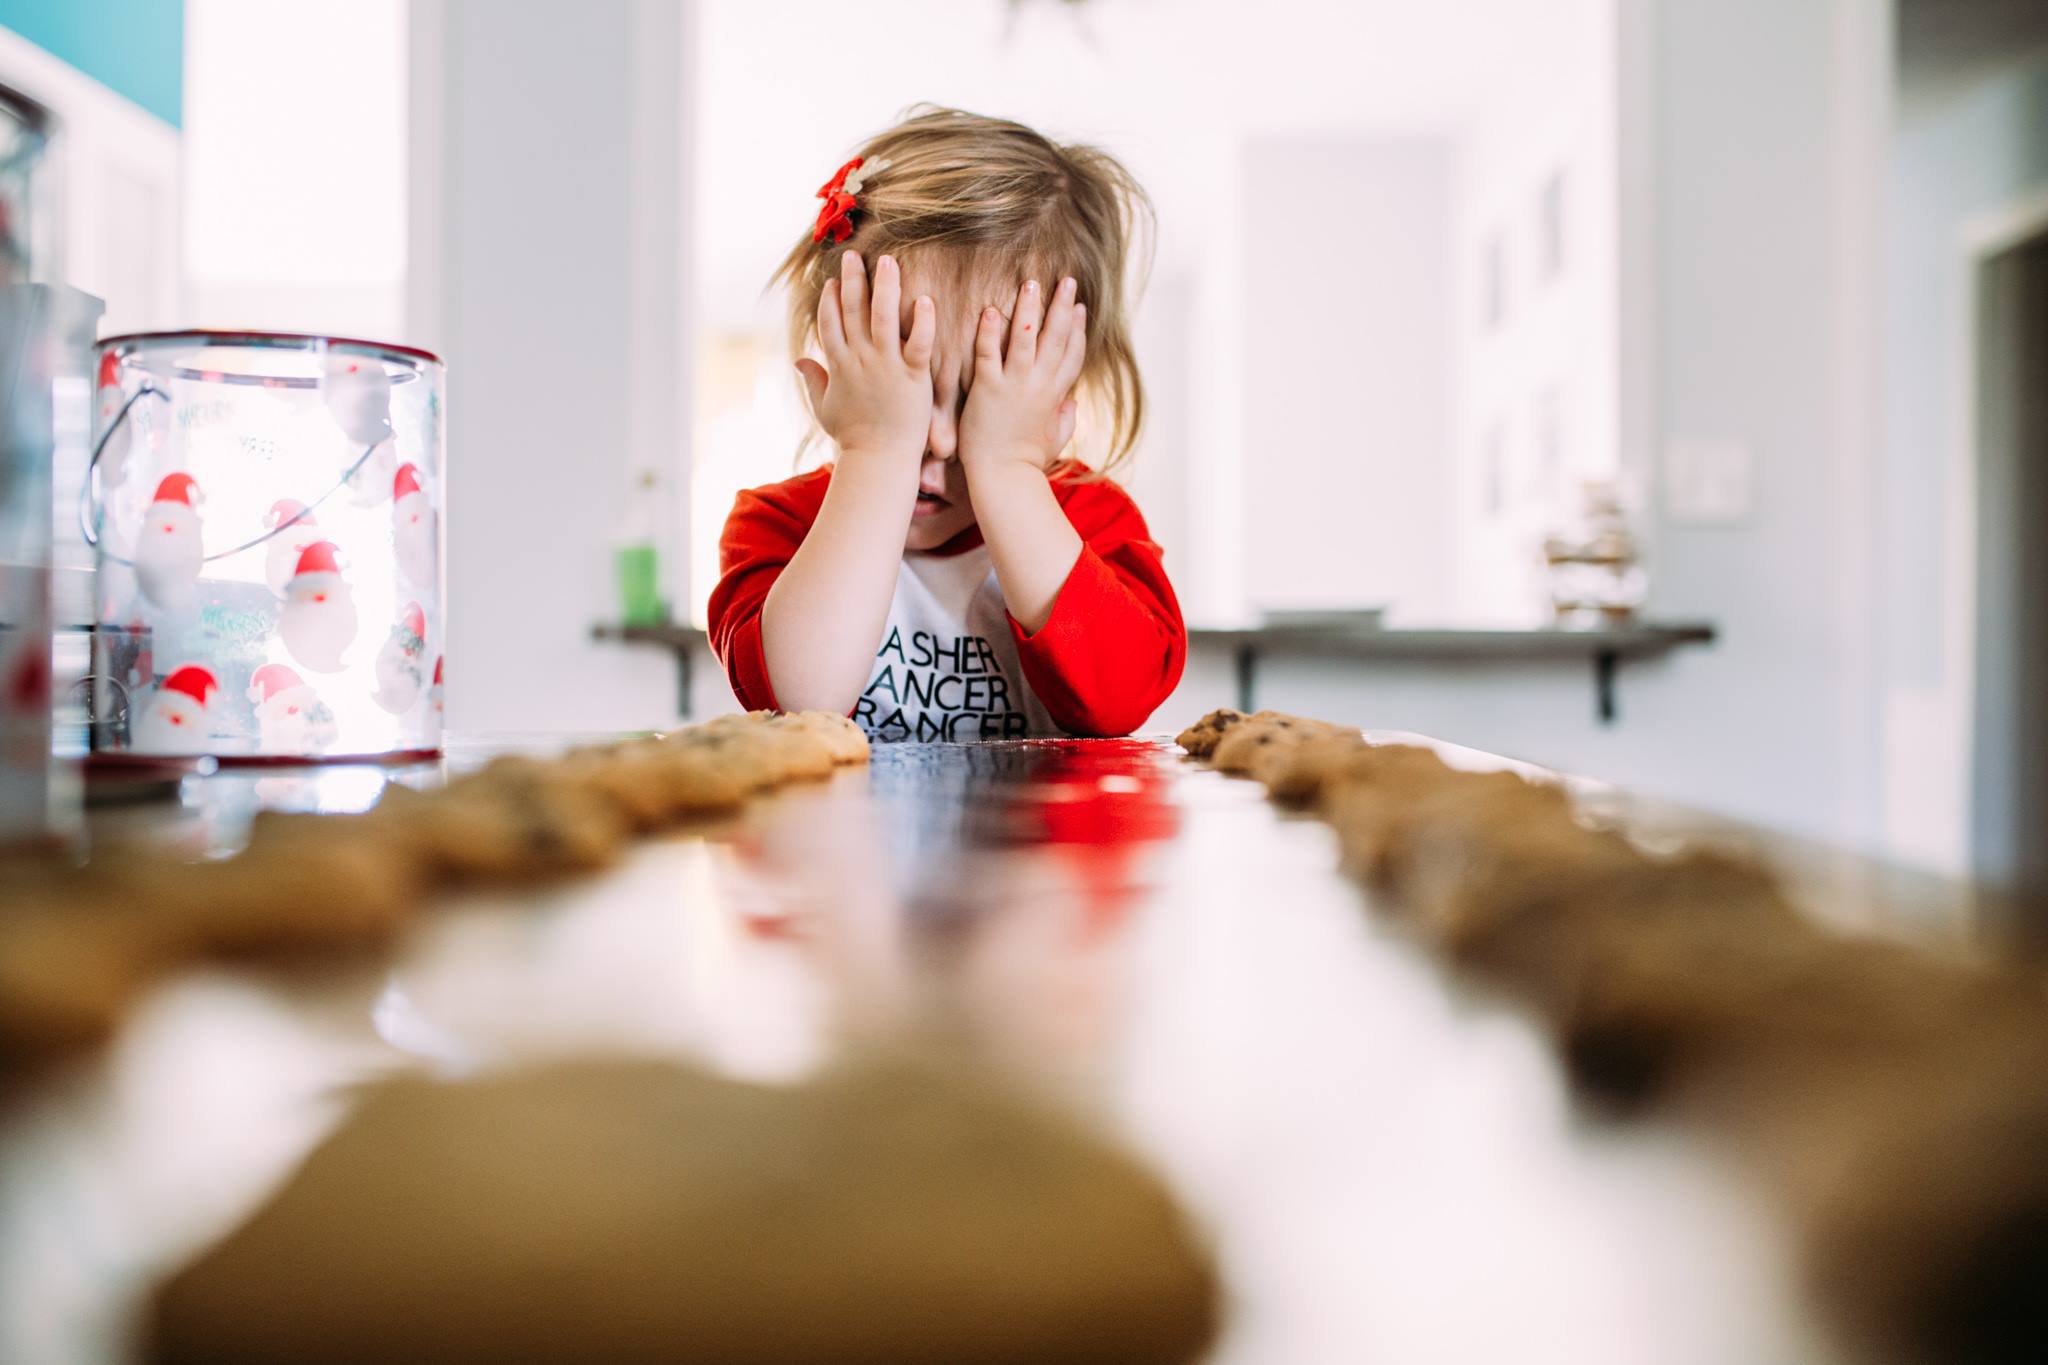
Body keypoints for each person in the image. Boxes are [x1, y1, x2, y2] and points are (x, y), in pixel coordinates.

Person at [707, 107, 1185, 742]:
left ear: (1060, 396)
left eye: (979, 401)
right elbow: (803, 703)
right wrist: (877, 452)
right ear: (833, 366)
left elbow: (1121, 701)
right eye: (901, 389)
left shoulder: (1091, 523)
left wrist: (1008, 470)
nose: (936, 438)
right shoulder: (780, 527)